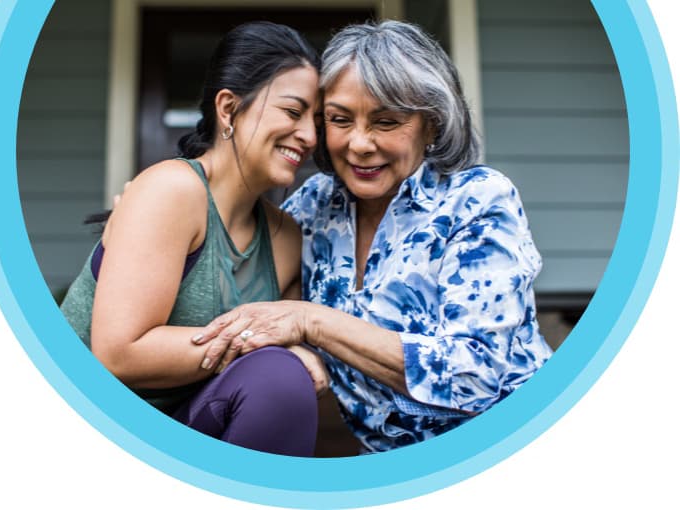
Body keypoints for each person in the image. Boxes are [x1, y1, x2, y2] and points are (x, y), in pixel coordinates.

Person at [189, 20, 554, 453]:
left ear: (431, 125)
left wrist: (313, 322)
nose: (360, 144)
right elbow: (240, 273)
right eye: (340, 119)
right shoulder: (313, 206)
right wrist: (158, 208)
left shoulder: (476, 200)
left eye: (386, 121)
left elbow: (473, 376)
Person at [60, 21, 328, 456]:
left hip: (183, 434)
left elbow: (292, 350)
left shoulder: (286, 238)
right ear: (228, 109)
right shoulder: (172, 190)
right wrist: (261, 344)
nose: (311, 137)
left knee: (279, 379)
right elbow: (119, 354)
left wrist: (299, 352)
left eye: (316, 121)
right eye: (293, 112)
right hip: (88, 423)